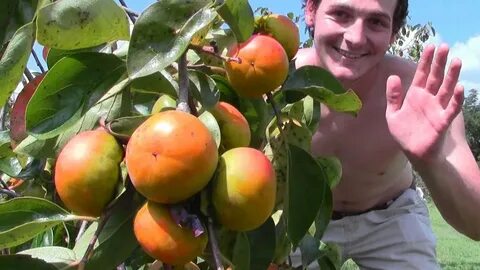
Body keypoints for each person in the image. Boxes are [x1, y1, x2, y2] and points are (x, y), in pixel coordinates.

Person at [292, 0, 480, 269]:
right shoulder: (271, 82)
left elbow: (476, 224)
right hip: (302, 217)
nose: (355, 38)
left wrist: (432, 161)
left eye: (376, 22)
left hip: (392, 216)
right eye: (341, 14)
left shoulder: (423, 94)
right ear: (311, 12)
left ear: (393, 32)